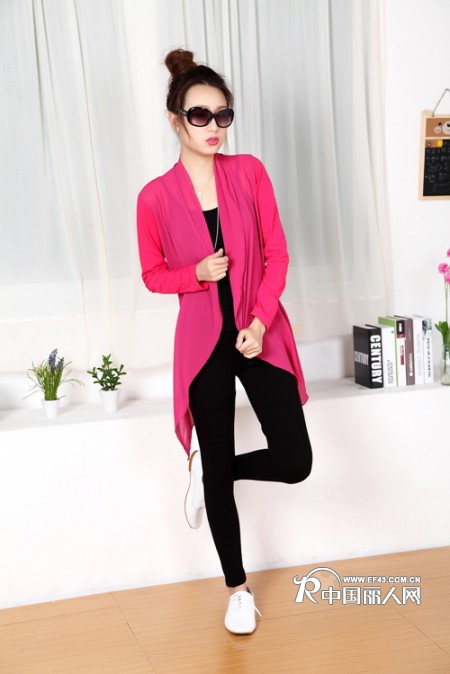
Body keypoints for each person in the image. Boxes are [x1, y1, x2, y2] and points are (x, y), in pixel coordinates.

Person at [137, 48, 313, 635]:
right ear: (175, 121)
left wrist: (260, 322)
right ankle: (237, 590)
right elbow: (152, 274)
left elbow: (276, 254)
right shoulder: (154, 198)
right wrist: (195, 274)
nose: (213, 127)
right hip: (202, 345)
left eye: (222, 115)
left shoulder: (250, 172)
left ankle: (213, 472)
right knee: (215, 458)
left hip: (258, 332)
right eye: (199, 116)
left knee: (295, 461)